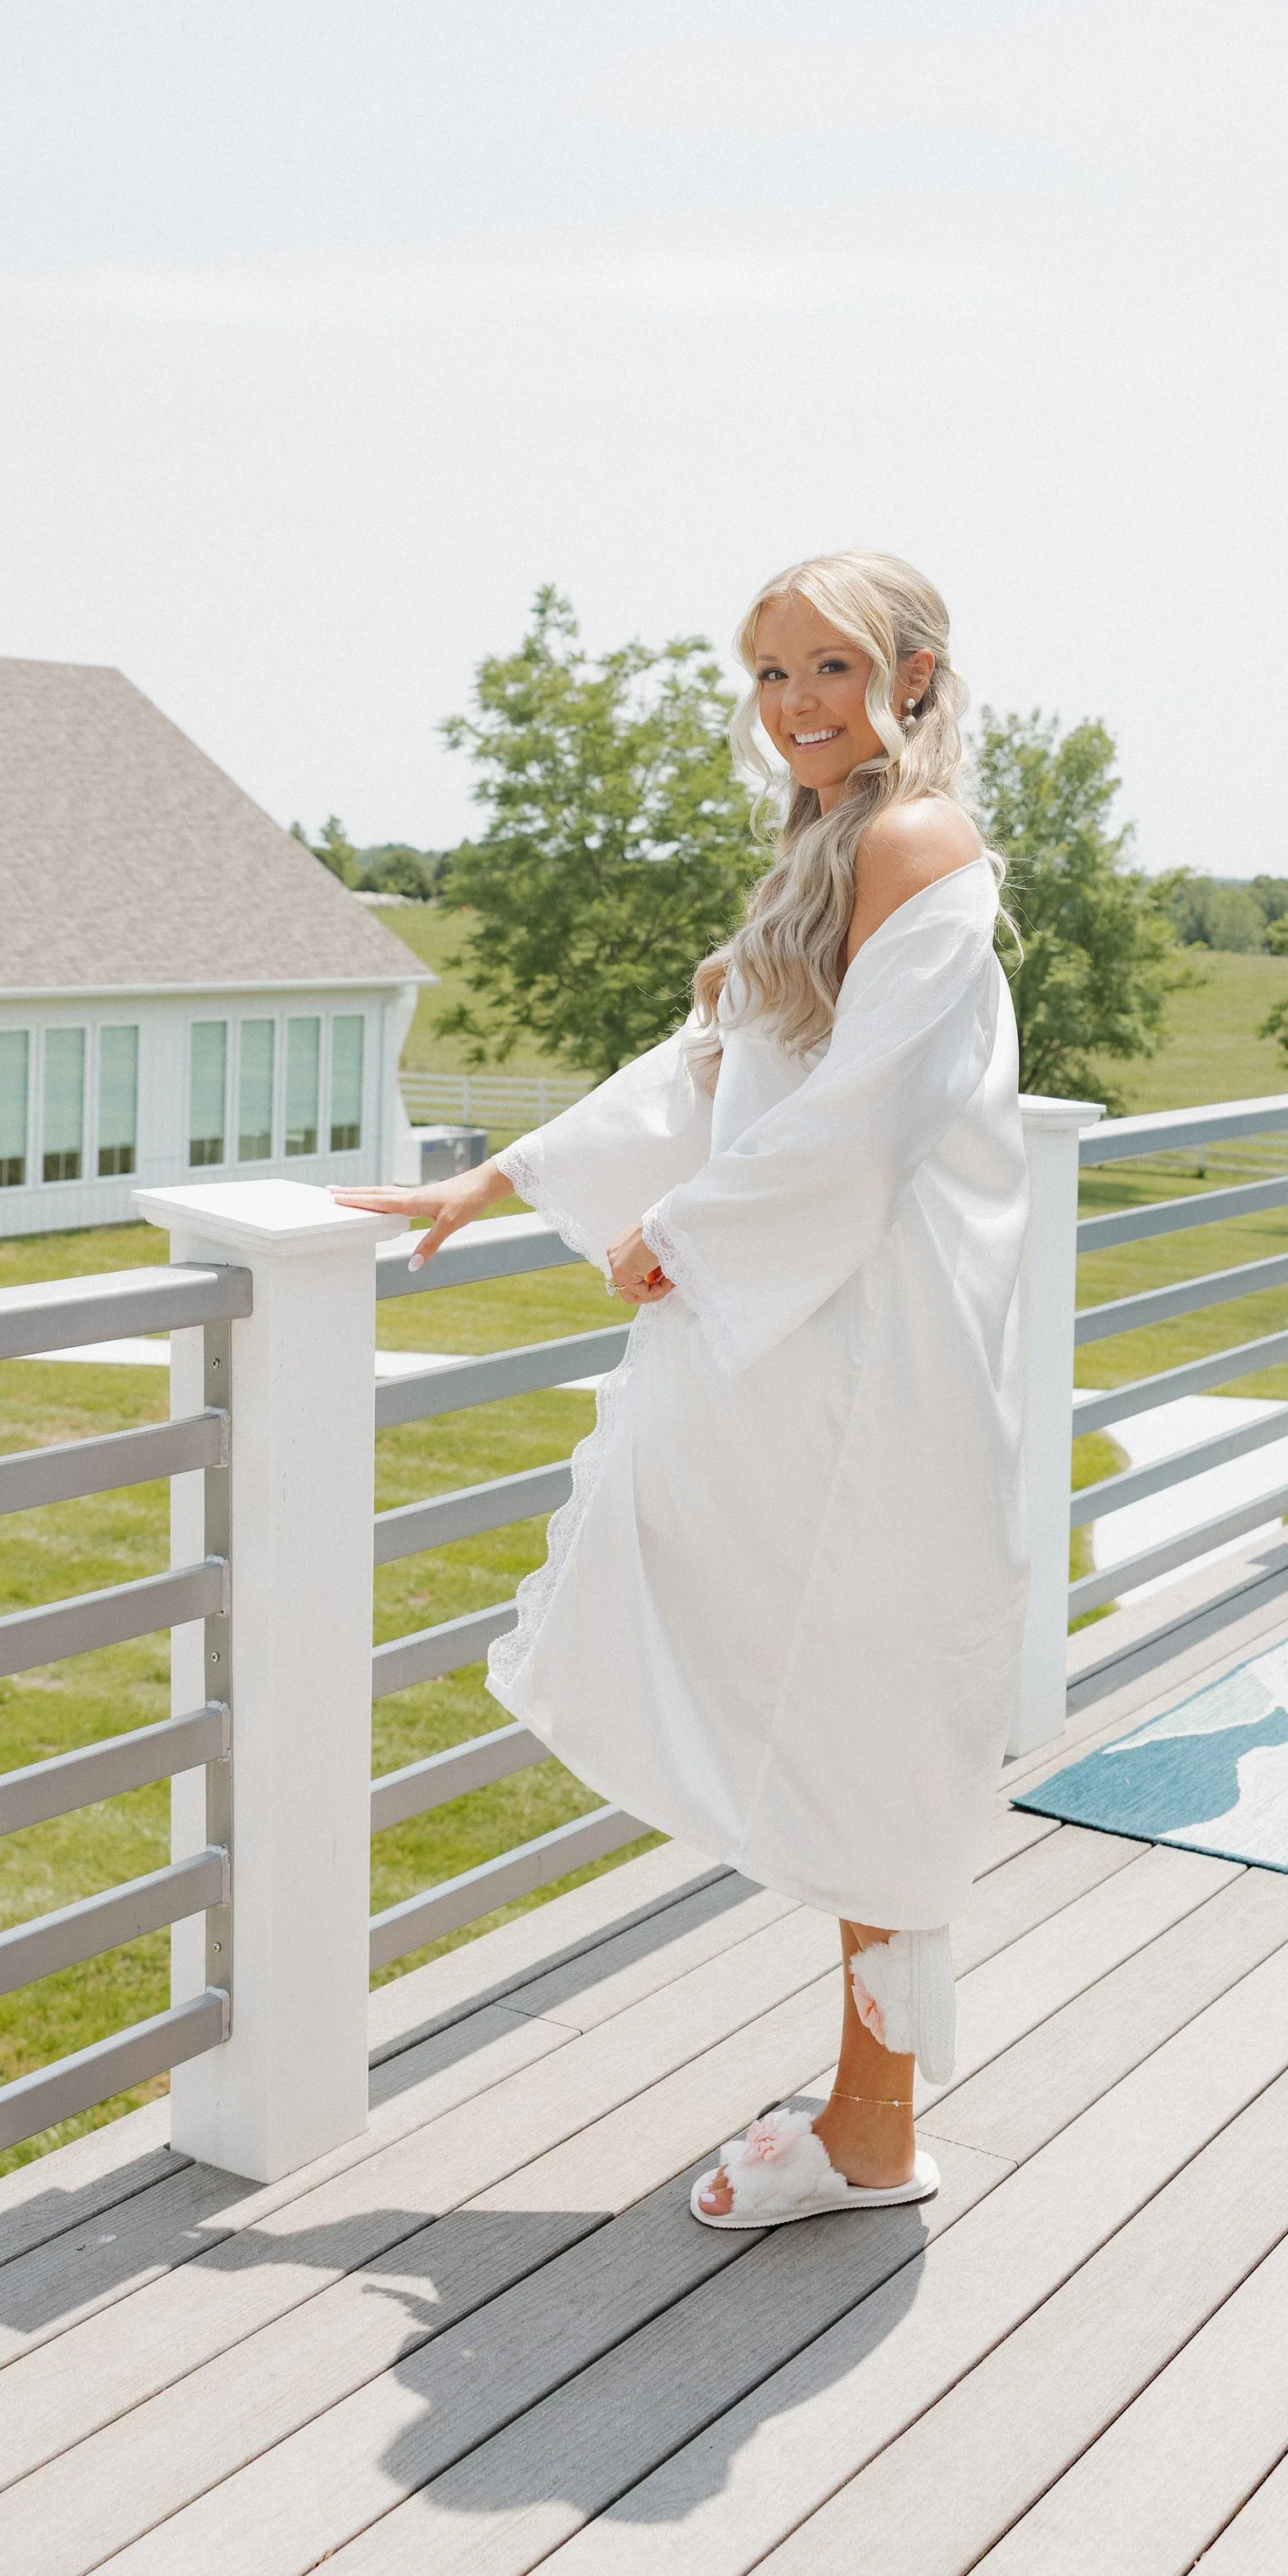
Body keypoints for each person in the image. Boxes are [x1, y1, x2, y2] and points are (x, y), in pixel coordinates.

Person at [341, 551, 1029, 2227]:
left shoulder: (916, 843)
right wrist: (501, 1176)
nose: (795, 704)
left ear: (914, 676)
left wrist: (684, 1232)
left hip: (874, 1359)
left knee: (867, 1719)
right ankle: (870, 2115)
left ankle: (874, 2132)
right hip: (812, 1347)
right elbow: (727, 1059)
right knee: (833, 1704)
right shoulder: (829, 841)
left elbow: (866, 1113)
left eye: (831, 667)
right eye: (771, 672)